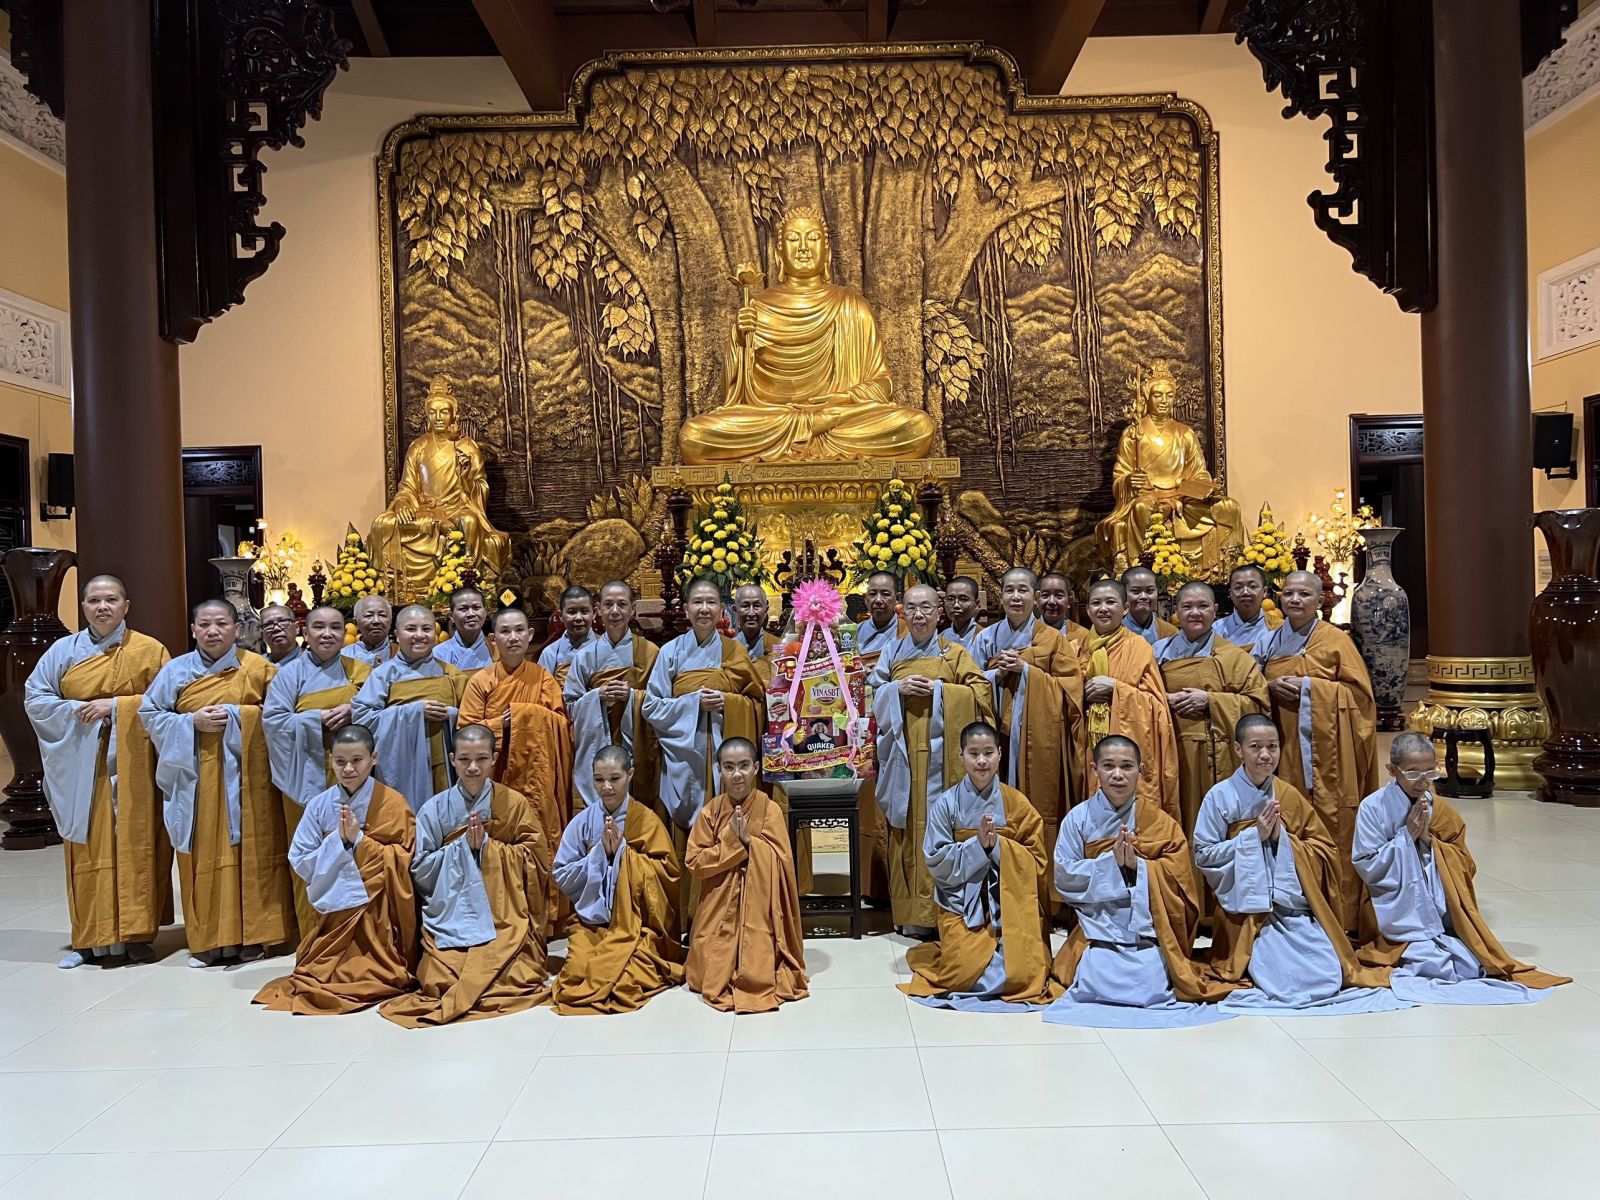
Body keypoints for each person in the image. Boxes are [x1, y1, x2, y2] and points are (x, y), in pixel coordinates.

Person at [1195, 715, 1408, 1015]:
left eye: (1272, 746)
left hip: (1294, 907)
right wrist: (1253, 838)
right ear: (1238, 749)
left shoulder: (1288, 795)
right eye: (1255, 747)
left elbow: (1324, 850)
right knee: (1281, 979)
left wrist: (1283, 840)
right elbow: (1203, 854)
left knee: (1328, 972)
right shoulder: (1219, 796)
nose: (1265, 755)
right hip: (1246, 915)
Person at [1352, 733, 1569, 1004]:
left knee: (1468, 964)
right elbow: (1367, 864)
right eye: (1413, 773)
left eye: (1430, 772)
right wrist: (1405, 837)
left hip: (1440, 911)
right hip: (1389, 909)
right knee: (1432, 964)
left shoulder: (1439, 808)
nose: (1423, 781)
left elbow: (1464, 862)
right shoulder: (1373, 808)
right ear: (1392, 770)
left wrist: (1429, 841)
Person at [26, 574, 171, 968]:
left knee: (137, 844)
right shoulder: (62, 651)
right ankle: (88, 939)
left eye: (111, 599)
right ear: (83, 607)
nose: (102, 607)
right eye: (93, 600)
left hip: (135, 764)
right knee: (87, 846)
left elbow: (169, 703)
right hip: (82, 765)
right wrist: (78, 710)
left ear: (126, 605)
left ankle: (138, 935)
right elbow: (36, 699)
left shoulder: (150, 650)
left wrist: (118, 707)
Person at [139, 599, 294, 967]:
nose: (213, 631)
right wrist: (190, 722)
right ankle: (207, 939)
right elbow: (149, 715)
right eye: (205, 624)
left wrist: (241, 716)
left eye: (222, 624)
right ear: (193, 630)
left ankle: (255, 936)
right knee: (202, 853)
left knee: (255, 853)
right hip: (196, 779)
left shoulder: (260, 669)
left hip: (251, 781)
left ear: (237, 629)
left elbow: (282, 716)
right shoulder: (175, 671)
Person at [1043, 735, 1237, 1028]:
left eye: (1126, 766)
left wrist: (1139, 867)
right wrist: (1111, 865)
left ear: (1140, 771)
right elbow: (1063, 876)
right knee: (1097, 973)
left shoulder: (1160, 822)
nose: (1117, 775)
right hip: (1098, 929)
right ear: (1094, 769)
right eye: (1108, 766)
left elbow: (1180, 881)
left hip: (1148, 929)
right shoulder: (1077, 819)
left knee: (1150, 980)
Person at [379, 724, 551, 1026]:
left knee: (517, 977)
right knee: (440, 980)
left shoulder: (514, 803)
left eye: (482, 758)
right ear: (452, 759)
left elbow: (537, 860)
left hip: (504, 914)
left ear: (494, 758)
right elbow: (420, 868)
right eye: (464, 759)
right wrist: (462, 849)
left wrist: (488, 848)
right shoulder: (433, 809)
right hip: (451, 912)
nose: (473, 767)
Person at [253, 724, 418, 1014]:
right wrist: (337, 842)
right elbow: (300, 857)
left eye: (357, 760)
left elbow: (406, 858)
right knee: (318, 971)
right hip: (336, 907)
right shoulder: (319, 805)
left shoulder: (393, 803)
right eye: (340, 761)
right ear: (331, 760)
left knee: (376, 970)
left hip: (379, 905)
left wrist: (359, 841)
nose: (348, 769)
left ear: (374, 758)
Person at [901, 721, 1059, 1010]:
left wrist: (997, 847)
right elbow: (936, 861)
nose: (982, 761)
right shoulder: (946, 804)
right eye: (974, 753)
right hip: (962, 906)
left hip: (1011, 903)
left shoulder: (1017, 804)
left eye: (988, 752)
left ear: (1000, 754)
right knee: (961, 974)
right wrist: (977, 847)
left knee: (1026, 973)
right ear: (961, 756)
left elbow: (1037, 861)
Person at [869, 582, 993, 936]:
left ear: (939, 613)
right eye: (911, 608)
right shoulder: (891, 651)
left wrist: (941, 691)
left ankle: (944, 914)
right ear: (902, 612)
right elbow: (869, 693)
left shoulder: (954, 653)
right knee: (906, 829)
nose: (919, 615)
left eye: (926, 607)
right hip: (902, 757)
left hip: (945, 763)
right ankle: (910, 914)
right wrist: (896, 689)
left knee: (944, 827)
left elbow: (981, 694)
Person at [1260, 570, 1378, 930]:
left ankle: (1340, 913)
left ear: (1320, 600)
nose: (1295, 600)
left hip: (1330, 755)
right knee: (1287, 819)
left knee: (1333, 822)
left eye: (1304, 594)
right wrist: (1269, 687)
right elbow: (1251, 684)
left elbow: (1361, 699)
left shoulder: (1336, 641)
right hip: (1284, 745)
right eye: (1289, 594)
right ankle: (1291, 909)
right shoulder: (1269, 640)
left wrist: (1311, 688)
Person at [642, 577, 765, 919]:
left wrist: (728, 702)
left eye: (711, 602)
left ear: (722, 610)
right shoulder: (670, 652)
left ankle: (730, 911)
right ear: (686, 609)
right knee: (688, 832)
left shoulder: (734, 652)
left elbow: (757, 702)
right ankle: (688, 913)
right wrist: (693, 703)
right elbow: (651, 706)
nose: (704, 609)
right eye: (697, 602)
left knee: (727, 827)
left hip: (726, 759)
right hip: (683, 756)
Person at [458, 606, 572, 933]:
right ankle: (501, 916)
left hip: (538, 778)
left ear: (530, 635)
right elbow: (466, 731)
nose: (513, 637)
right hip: (496, 780)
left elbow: (562, 726)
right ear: (492, 639)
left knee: (541, 840)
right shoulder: (481, 681)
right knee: (499, 845)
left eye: (519, 630)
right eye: (505, 632)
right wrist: (503, 723)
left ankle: (545, 917)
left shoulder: (543, 677)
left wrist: (525, 717)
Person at [263, 605, 372, 941]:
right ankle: (314, 938)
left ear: (346, 632)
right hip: (305, 774)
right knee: (311, 856)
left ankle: (361, 936)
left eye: (335, 627)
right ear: (305, 632)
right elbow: (273, 722)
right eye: (319, 627)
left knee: (359, 852)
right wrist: (316, 719)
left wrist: (355, 709)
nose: (327, 634)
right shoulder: (289, 676)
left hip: (356, 777)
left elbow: (380, 711)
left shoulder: (361, 671)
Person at [549, 745, 684, 1013]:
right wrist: (599, 856)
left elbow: (668, 873)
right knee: (577, 975)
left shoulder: (647, 821)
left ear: (630, 775)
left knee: (630, 978)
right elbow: (561, 873)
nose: (607, 787)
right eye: (599, 779)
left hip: (638, 924)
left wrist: (623, 854)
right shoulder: (582, 822)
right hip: (591, 923)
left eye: (615, 778)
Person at [970, 568, 1083, 877]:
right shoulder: (986, 638)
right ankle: (996, 877)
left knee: (1038, 806)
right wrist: (997, 675)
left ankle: (1040, 881)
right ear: (1001, 596)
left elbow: (1071, 692)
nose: (1016, 597)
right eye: (1009, 590)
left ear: (1035, 597)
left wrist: (1027, 671)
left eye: (1023, 590)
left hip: (1037, 743)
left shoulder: (1053, 640)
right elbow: (968, 684)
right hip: (997, 738)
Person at [684, 738, 808, 1012]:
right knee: (704, 969)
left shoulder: (770, 809)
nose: (737, 774)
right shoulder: (710, 812)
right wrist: (732, 843)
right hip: (719, 900)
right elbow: (694, 862)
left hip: (761, 902)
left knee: (763, 961)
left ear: (756, 768)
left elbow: (782, 862)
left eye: (743, 766)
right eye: (729, 767)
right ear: (719, 770)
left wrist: (750, 843)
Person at [1154, 582, 1270, 841]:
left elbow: (1259, 704)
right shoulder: (1157, 653)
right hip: (1170, 751)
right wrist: (1164, 698)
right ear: (1176, 611)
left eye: (1203, 606)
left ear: (1215, 610)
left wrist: (1211, 701)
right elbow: (1140, 696)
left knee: (1215, 824)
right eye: (1187, 606)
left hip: (1218, 754)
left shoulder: (1233, 656)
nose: (1195, 612)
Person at [1073, 579, 1179, 820]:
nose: (1103, 609)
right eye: (1096, 603)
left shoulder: (1139, 648)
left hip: (1127, 746)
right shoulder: (1075, 648)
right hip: (1086, 745)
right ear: (1087, 609)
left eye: (1110, 602)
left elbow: (1157, 706)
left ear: (1125, 608)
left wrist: (1116, 689)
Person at [351, 605, 470, 811]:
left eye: (426, 629)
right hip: (402, 765)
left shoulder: (451, 674)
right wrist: (413, 712)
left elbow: (471, 718)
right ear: (397, 634)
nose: (420, 635)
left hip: (443, 765)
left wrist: (451, 714)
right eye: (411, 629)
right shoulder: (383, 674)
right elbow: (362, 719)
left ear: (436, 633)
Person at [564, 580, 659, 815]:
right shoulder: (585, 656)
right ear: (599, 610)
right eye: (608, 605)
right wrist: (598, 697)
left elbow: (663, 703)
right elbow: (569, 707)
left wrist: (632, 696)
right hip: (598, 744)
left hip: (637, 745)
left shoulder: (651, 653)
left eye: (622, 604)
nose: (615, 611)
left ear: (632, 609)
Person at [854, 570, 906, 902]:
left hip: (894, 724)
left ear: (897, 598)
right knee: (867, 803)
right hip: (860, 726)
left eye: (885, 594)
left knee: (894, 801)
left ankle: (895, 885)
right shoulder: (854, 634)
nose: (878, 600)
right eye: (873, 593)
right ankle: (869, 885)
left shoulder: (906, 632)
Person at [537, 585, 597, 688]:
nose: (578, 618)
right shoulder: (550, 653)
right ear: (560, 616)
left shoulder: (607, 649)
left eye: (584, 611)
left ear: (594, 613)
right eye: (571, 612)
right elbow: (542, 692)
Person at [1214, 563, 1281, 655]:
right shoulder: (1216, 628)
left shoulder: (1279, 628)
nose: (1245, 592)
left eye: (1252, 586)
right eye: (1238, 587)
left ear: (1264, 592)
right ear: (1231, 593)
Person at [433, 587, 495, 671]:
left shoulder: (497, 649)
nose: (471, 614)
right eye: (463, 609)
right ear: (451, 616)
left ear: (485, 612)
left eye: (476, 608)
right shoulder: (439, 653)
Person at [733, 584, 781, 683]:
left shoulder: (778, 646)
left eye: (757, 606)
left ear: (766, 609)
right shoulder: (727, 648)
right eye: (745, 606)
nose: (751, 613)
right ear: (735, 610)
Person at [1121, 567, 1178, 645]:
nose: (1143, 596)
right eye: (1136, 591)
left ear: (1157, 592)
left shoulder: (1170, 632)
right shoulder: (1112, 631)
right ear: (1123, 593)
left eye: (1149, 590)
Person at [343, 595, 395, 668]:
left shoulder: (402, 655)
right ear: (356, 622)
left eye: (382, 615)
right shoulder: (343, 656)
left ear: (390, 621)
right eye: (369, 615)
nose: (376, 621)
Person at [1037, 572, 1087, 639]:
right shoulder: (1028, 632)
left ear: (1069, 601)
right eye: (1045, 595)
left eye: (1059, 595)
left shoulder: (1083, 636)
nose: (1052, 601)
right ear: (1037, 599)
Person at [941, 575, 983, 653]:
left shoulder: (985, 637)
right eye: (950, 599)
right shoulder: (942, 637)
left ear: (977, 604)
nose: (956, 605)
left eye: (963, 599)